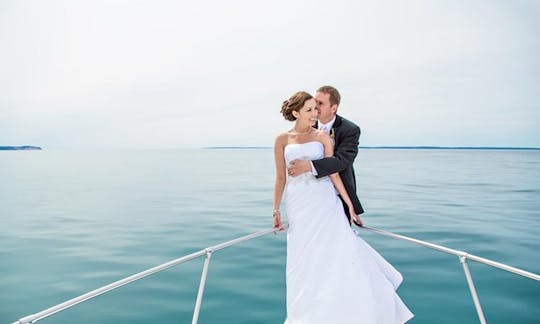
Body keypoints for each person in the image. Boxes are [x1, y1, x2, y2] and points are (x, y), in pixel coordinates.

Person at [273, 91, 413, 324]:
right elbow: (280, 178)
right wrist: (275, 211)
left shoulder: (325, 136)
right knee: (303, 261)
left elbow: (336, 171)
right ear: (296, 112)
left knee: (336, 256)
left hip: (325, 201)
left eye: (317, 107)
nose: (315, 112)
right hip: (298, 205)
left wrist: (350, 205)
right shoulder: (281, 139)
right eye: (310, 109)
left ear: (332, 107)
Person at [287, 86, 364, 225]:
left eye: (320, 103)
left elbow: (342, 161)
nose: (315, 107)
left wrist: (309, 166)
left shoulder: (350, 130)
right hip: (310, 195)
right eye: (315, 102)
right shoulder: (305, 125)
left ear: (333, 108)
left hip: (339, 194)